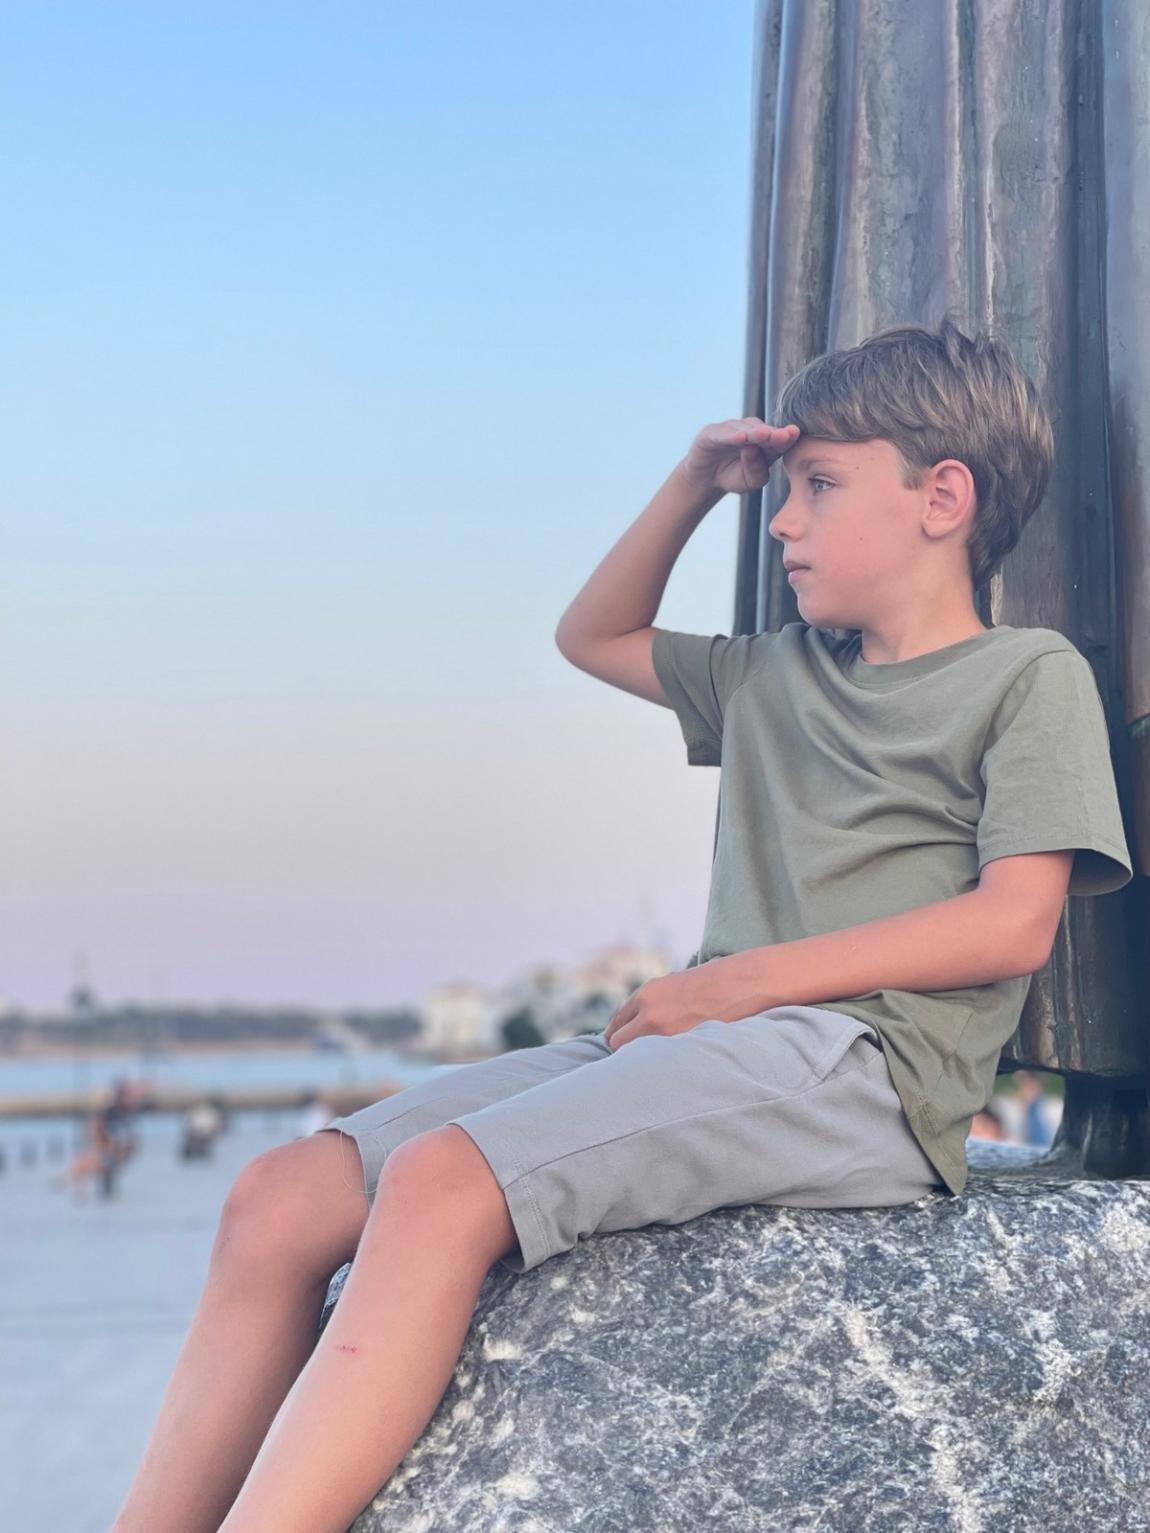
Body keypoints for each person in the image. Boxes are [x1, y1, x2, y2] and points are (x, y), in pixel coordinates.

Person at [110, 317, 1134, 1533]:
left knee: (441, 1183)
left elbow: (1012, 926)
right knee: (278, 1197)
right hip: (710, 1040)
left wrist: (738, 984)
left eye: (818, 485)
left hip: (864, 1066)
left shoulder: (1026, 676)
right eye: (784, 491)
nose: (784, 522)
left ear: (942, 498)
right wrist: (695, 483)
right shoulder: (771, 674)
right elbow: (591, 635)